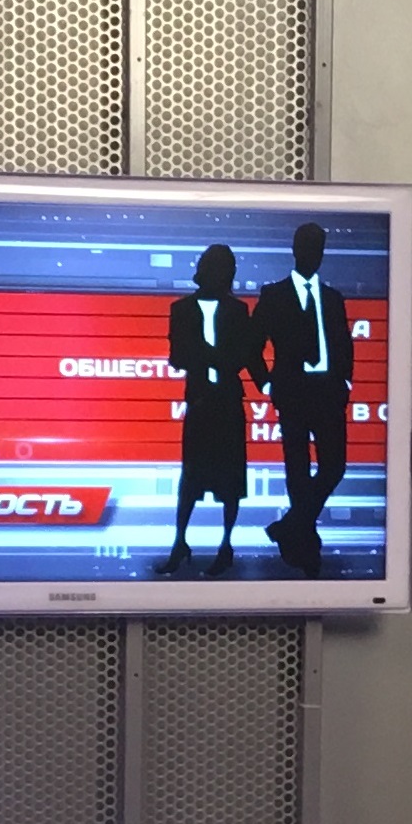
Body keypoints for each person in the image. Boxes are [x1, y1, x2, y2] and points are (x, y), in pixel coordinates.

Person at [249, 220, 356, 574]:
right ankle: (304, 545)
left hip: (328, 392)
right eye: (309, 248)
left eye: (319, 250)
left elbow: (344, 344)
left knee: (334, 466)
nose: (315, 256)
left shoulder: (333, 298)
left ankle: (289, 526)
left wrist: (345, 383)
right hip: (292, 392)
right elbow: (251, 345)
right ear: (296, 251)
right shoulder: (274, 295)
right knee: (297, 469)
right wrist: (266, 384)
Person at [162, 243, 257, 575]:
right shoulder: (181, 309)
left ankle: (225, 545)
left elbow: (241, 357)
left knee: (230, 481)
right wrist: (214, 356)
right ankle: (180, 543)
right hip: (200, 402)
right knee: (191, 478)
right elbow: (177, 357)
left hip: (228, 403)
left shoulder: (238, 311)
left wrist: (203, 351)